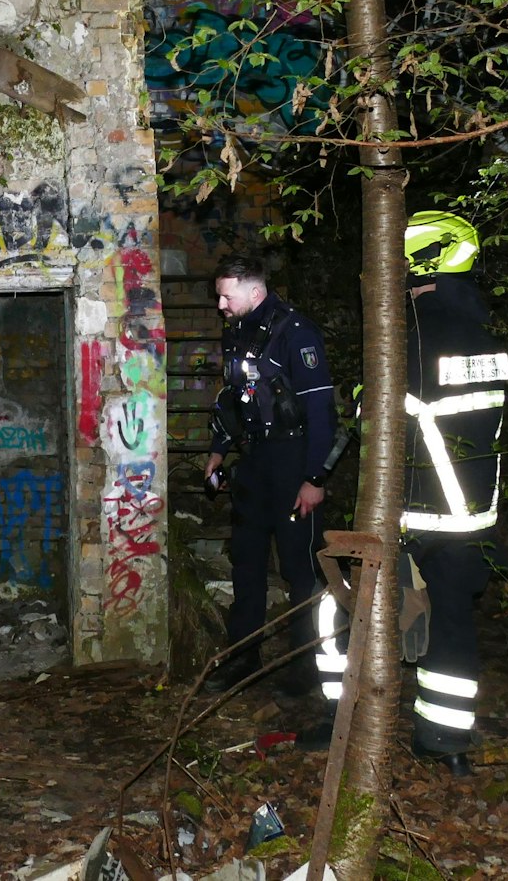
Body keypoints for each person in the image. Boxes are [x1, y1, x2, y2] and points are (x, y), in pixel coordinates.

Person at [311, 210, 508, 776]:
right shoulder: (480, 332)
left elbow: (383, 415)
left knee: (338, 607)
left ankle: (339, 721)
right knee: (450, 625)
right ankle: (445, 742)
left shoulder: (413, 336)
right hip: (472, 513)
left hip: (414, 508)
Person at [201, 255, 336, 694]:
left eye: (227, 294)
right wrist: (220, 450)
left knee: (301, 569)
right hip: (254, 461)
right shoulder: (239, 332)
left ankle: (308, 670)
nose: (221, 304)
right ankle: (242, 659)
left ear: (253, 290)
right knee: (246, 563)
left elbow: (320, 410)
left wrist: (315, 478)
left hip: (293, 460)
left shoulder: (296, 333)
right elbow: (234, 398)